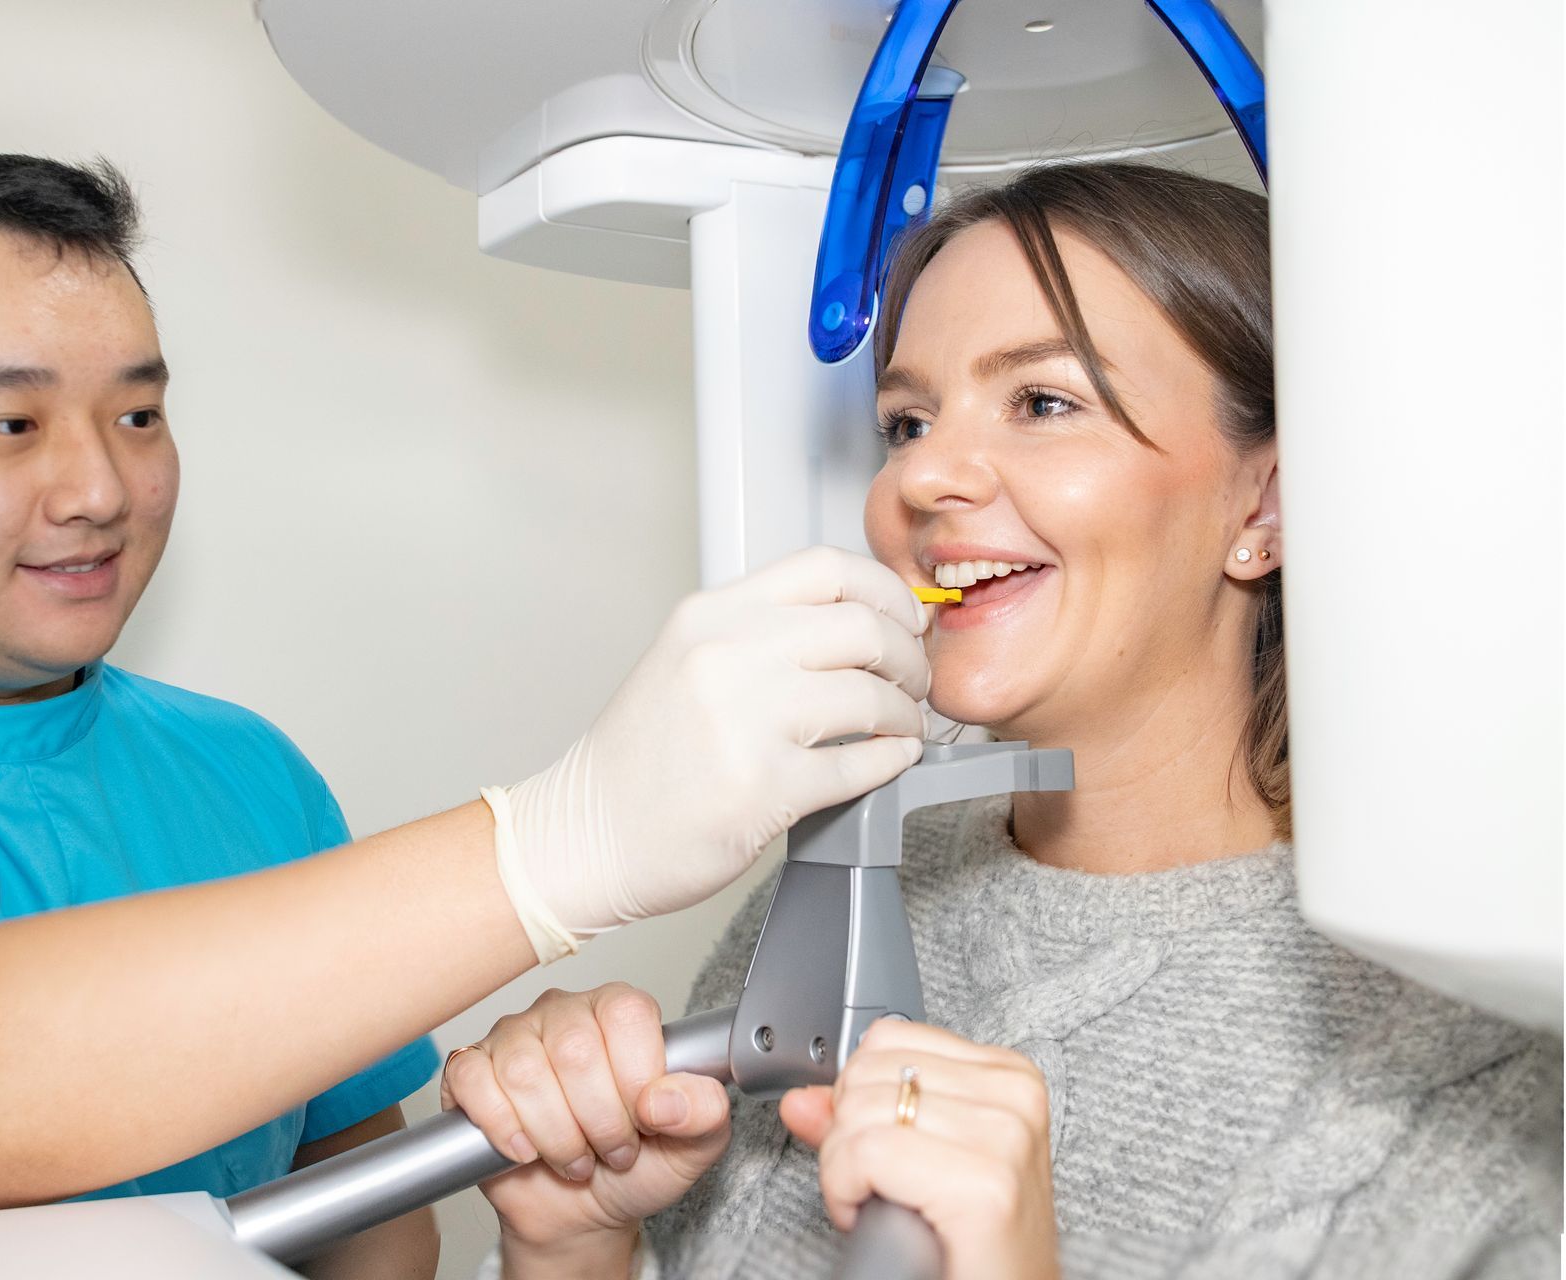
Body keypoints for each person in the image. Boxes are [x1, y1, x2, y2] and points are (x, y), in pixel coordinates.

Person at [0, 145, 938, 1268]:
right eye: (9, 423)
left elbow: (372, 1233)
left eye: (138, 415)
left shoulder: (242, 772)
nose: (100, 486)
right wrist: (556, 845)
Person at [442, 162, 1564, 1279]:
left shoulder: (1465, 1046)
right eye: (907, 420)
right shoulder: (852, 883)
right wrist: (574, 1244)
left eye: (1041, 401)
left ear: (1263, 507)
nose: (923, 476)